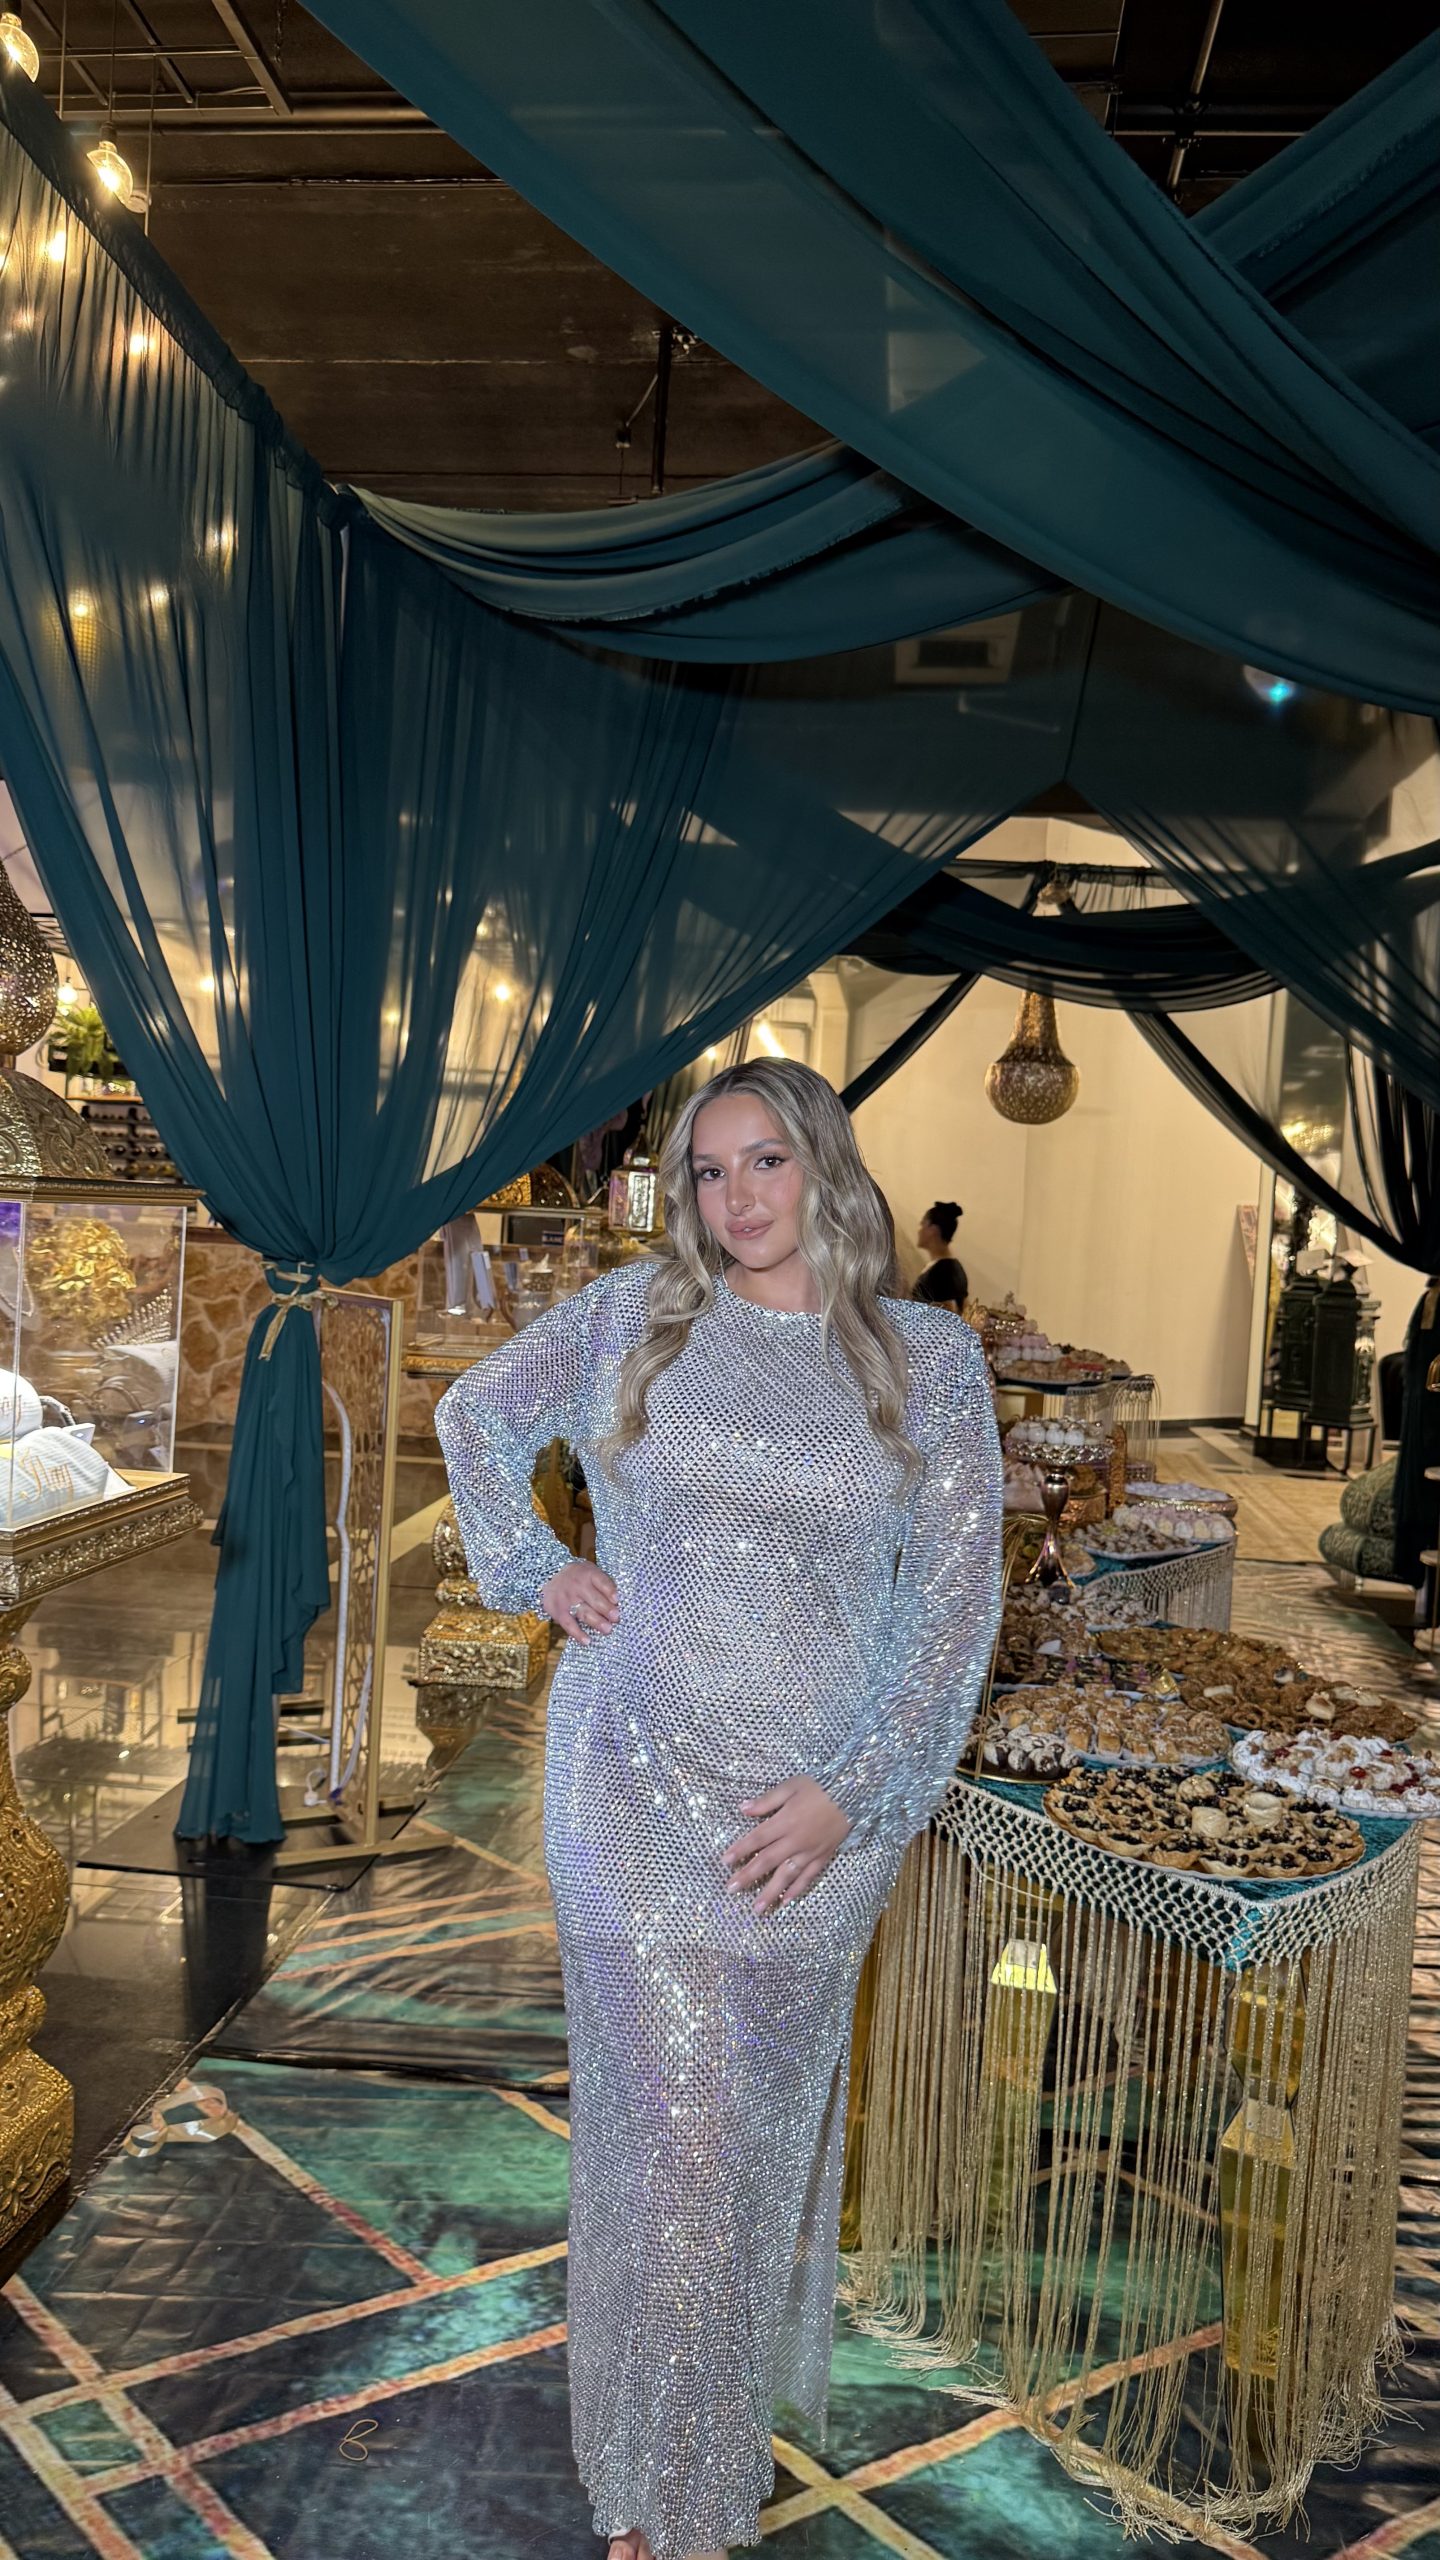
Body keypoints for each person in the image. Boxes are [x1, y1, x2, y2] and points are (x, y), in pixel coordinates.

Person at [436, 1059, 1001, 2560]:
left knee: (735, 2158)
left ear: (826, 1167)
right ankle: (666, 2513)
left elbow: (953, 1617)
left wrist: (851, 1798)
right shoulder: (636, 1317)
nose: (736, 1196)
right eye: (707, 1169)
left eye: (766, 1161)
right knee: (666, 2142)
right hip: (627, 1789)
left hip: (812, 1820)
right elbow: (474, 1414)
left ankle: (666, 2462)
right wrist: (536, 1567)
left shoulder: (928, 1360)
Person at [913, 1199, 968, 1310]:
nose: (919, 1231)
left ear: (933, 1230)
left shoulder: (945, 1272)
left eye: (923, 1225)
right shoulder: (944, 1267)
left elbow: (949, 1312)